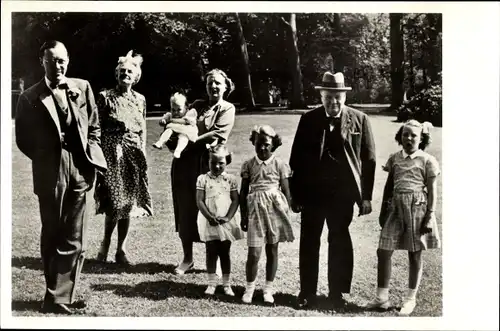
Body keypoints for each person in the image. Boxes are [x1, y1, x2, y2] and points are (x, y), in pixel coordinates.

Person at [15, 40, 107, 314]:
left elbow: (94, 126)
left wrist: (91, 155)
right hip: (50, 170)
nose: (58, 65)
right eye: (51, 60)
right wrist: (46, 158)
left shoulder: (83, 87)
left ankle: (62, 297)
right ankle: (54, 295)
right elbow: (23, 139)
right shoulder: (30, 97)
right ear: (41, 61)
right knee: (53, 233)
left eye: (62, 60)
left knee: (75, 236)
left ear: (68, 60)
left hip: (80, 167)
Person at [289, 71, 377, 310]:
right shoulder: (308, 120)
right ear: (322, 96)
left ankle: (336, 294)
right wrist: (295, 196)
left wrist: (366, 197)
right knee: (309, 242)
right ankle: (307, 292)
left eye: (338, 97)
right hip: (312, 194)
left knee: (339, 241)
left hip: (342, 195)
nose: (333, 102)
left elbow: (368, 162)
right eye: (328, 97)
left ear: (344, 96)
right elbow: (295, 160)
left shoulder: (359, 120)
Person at [365, 120, 441, 316]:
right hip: (395, 209)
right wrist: (383, 210)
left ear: (421, 138)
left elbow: (433, 192)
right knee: (383, 250)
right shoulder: (394, 159)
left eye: (413, 135)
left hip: (417, 209)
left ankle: (410, 299)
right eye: (405, 134)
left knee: (414, 253)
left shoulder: (427, 160)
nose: (409, 138)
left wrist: (429, 216)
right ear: (400, 137)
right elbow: (388, 187)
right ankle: (381, 298)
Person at [168, 69, 236, 275]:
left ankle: (212, 261)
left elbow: (216, 135)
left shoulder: (227, 108)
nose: (213, 87)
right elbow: (178, 121)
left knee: (210, 210)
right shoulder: (197, 105)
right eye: (209, 83)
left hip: (209, 167)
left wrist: (189, 137)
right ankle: (187, 259)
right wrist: (174, 132)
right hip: (184, 165)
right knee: (185, 209)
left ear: (225, 86)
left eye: (217, 83)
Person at [94, 50, 153, 265]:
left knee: (128, 202)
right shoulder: (105, 96)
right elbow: (96, 127)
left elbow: (143, 127)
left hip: (133, 153)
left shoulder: (140, 99)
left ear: (136, 76)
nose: (125, 74)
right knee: (114, 201)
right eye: (122, 71)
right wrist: (98, 156)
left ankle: (121, 249)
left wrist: (143, 151)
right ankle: (105, 245)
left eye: (130, 71)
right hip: (111, 153)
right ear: (116, 74)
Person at [239, 125, 295, 305]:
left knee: (272, 250)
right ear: (253, 143)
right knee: (254, 254)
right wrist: (243, 215)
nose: (262, 148)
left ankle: (268, 290)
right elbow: (242, 192)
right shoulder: (248, 165)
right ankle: (249, 288)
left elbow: (286, 190)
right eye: (258, 144)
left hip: (274, 211)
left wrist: (288, 212)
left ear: (274, 144)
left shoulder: (280, 165)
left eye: (266, 144)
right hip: (255, 211)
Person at [195, 144, 244, 296]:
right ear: (207, 162)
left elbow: (236, 200)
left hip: (225, 220)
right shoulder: (203, 179)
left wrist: (228, 217)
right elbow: (199, 201)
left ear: (227, 161)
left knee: (225, 252)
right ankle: (211, 284)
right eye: (213, 162)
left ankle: (227, 284)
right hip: (209, 219)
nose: (217, 166)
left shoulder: (231, 179)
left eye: (221, 163)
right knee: (211, 251)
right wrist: (209, 217)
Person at [152, 92, 199, 159]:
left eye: (179, 109)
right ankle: (160, 142)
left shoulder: (190, 113)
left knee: (183, 137)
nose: (176, 112)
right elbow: (163, 121)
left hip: (186, 131)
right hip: (173, 131)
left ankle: (178, 151)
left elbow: (185, 121)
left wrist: (171, 121)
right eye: (173, 110)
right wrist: (163, 121)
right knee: (168, 130)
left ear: (186, 107)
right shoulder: (170, 115)